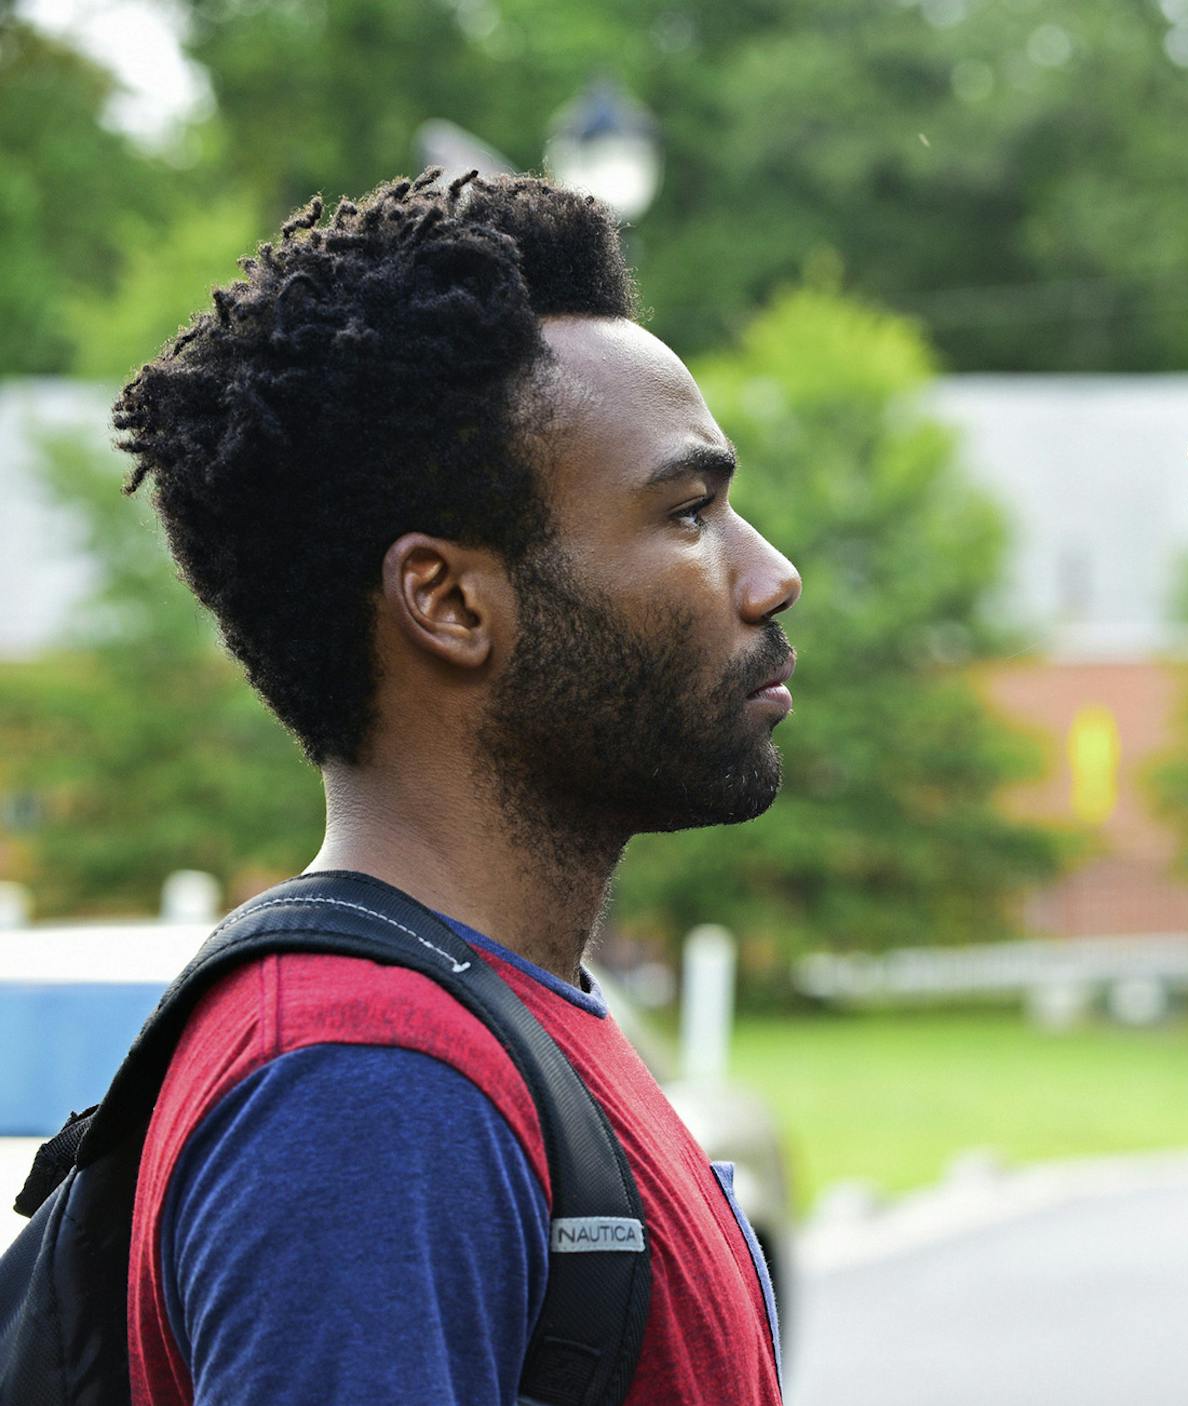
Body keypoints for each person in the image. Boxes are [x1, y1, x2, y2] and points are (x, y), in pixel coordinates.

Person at [110, 170, 797, 1404]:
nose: (772, 576)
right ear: (450, 602)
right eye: (689, 513)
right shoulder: (365, 1086)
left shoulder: (494, 1027)